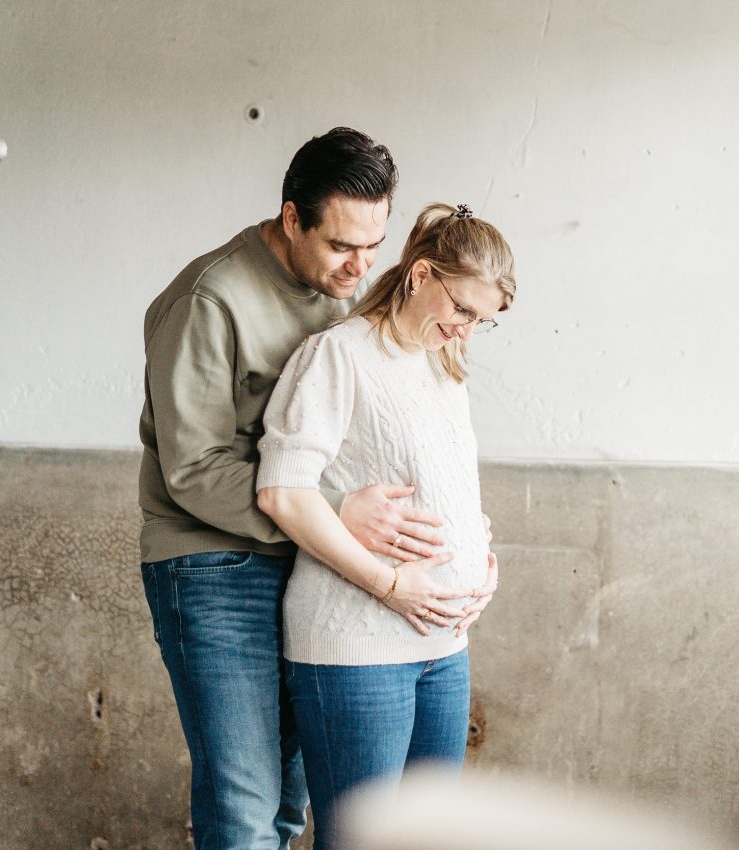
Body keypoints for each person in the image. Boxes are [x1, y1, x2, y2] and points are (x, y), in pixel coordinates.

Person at [138, 129, 497, 850]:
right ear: (291, 217)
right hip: (214, 563)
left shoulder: (351, 295)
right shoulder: (210, 301)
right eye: (341, 247)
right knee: (245, 805)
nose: (362, 267)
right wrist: (335, 515)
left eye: (375, 246)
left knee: (290, 804)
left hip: (313, 562)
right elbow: (194, 468)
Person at [256, 202, 516, 850]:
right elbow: (283, 494)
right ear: (420, 274)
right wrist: (389, 584)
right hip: (358, 649)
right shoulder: (337, 357)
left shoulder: (441, 367)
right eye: (462, 309)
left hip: (443, 645)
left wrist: (483, 558)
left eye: (483, 321)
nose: (465, 332)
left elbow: (448, 488)